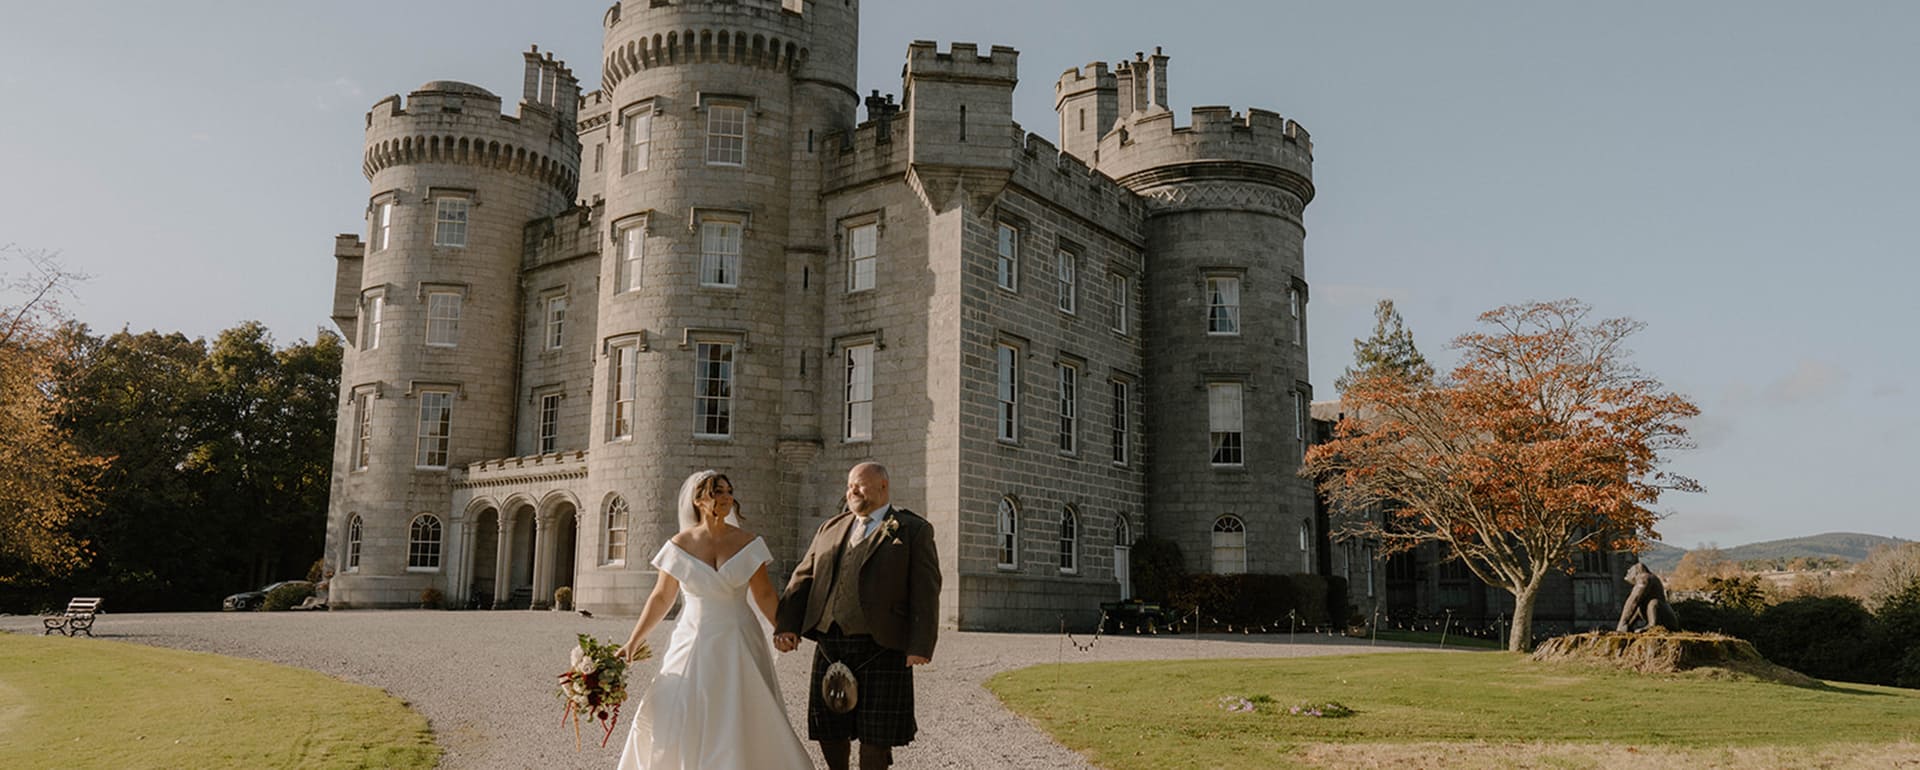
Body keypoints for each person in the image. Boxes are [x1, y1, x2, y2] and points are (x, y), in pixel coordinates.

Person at [614, 470, 811, 769]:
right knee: (679, 704)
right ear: (698, 500)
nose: (726, 497)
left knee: (744, 708)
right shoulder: (678, 545)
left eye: (729, 491)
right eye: (717, 491)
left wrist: (782, 629)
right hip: (693, 638)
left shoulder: (749, 542)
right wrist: (633, 641)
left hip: (740, 637)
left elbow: (764, 594)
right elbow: (661, 597)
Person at [774, 462, 941, 770]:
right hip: (830, 642)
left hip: (882, 644)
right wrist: (786, 625)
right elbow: (803, 577)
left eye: (860, 485)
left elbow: (926, 591)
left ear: (883, 486)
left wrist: (920, 644)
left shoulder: (912, 529)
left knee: (876, 734)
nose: (852, 491)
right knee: (828, 728)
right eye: (850, 485)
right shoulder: (831, 527)